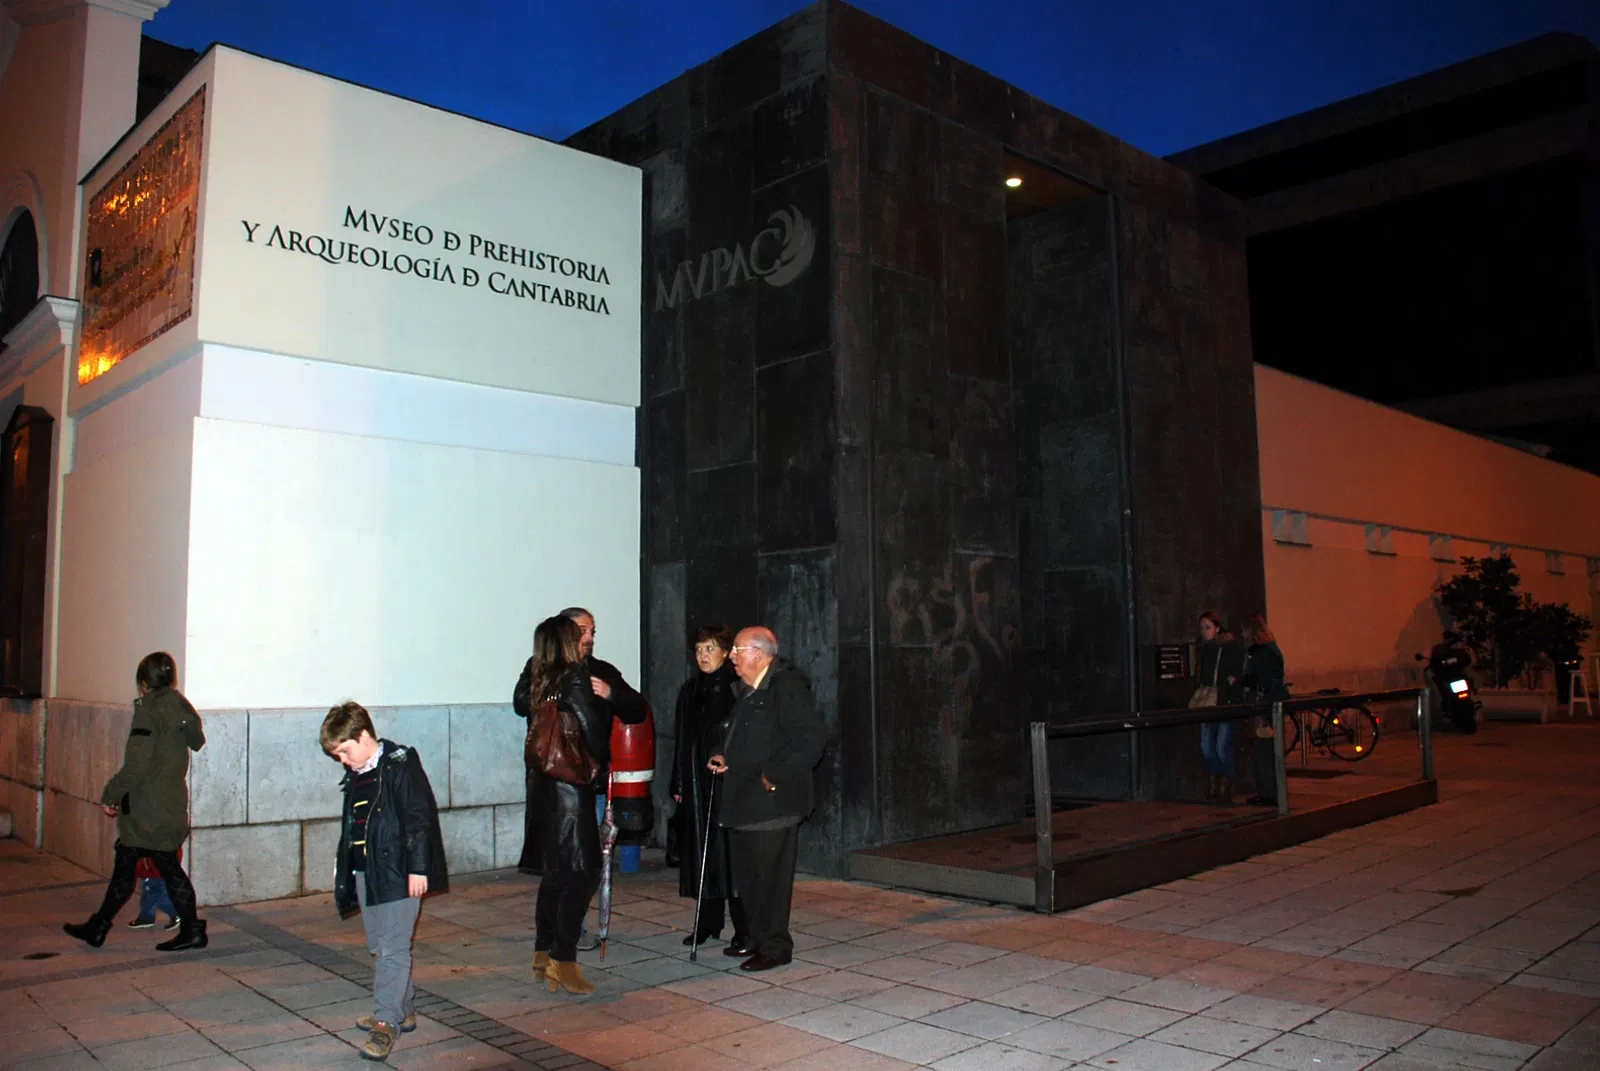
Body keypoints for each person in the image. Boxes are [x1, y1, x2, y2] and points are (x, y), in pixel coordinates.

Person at [516, 615, 646, 994]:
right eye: (580, 633)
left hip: (546, 784)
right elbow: (591, 729)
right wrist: (594, 757)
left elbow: (634, 707)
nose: (587, 638)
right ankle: (564, 960)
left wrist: (608, 695)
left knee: (557, 873)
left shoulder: (543, 674)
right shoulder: (573, 676)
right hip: (572, 787)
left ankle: (543, 954)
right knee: (584, 872)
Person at [324, 701, 449, 1063]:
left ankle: (386, 1022)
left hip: (399, 871)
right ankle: (403, 1008)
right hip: (367, 871)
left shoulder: (400, 765)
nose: (343, 760)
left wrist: (419, 869)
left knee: (393, 948)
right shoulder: (357, 773)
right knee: (380, 945)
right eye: (337, 755)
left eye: (345, 751)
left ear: (363, 736)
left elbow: (419, 818)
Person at [63, 652, 208, 952]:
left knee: (150, 866)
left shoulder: (149, 711)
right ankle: (99, 926)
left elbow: (136, 766)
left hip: (147, 808)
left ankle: (190, 929)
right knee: (136, 864)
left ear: (143, 683)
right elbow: (197, 741)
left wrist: (111, 793)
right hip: (169, 804)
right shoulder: (180, 707)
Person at [707, 627, 826, 971]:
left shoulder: (785, 687)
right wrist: (721, 754)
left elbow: (810, 740)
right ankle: (755, 937)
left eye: (737, 651)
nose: (731, 657)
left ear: (759, 653)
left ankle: (775, 946)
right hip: (744, 800)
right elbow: (740, 736)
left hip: (772, 803)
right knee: (749, 878)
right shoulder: (748, 690)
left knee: (769, 880)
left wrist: (772, 775)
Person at [671, 624, 746, 947]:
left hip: (726, 781)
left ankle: (744, 927)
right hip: (695, 780)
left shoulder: (736, 689)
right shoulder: (689, 691)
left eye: (710, 649)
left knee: (729, 856)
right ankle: (707, 921)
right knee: (701, 853)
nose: (703, 656)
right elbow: (681, 739)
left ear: (727, 653)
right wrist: (677, 780)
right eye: (699, 649)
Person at [1238, 615, 1289, 808]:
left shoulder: (1256, 651)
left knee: (1262, 751)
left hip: (1265, 703)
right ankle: (1274, 793)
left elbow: (1254, 678)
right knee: (1271, 750)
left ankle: (1268, 794)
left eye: (1244, 630)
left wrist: (1243, 681)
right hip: (1277, 700)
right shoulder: (1273, 648)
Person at [1196, 611, 1246, 805]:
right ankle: (1213, 783)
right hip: (1208, 702)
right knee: (1206, 747)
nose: (1204, 632)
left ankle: (1224, 786)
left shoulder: (1230, 647)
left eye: (1208, 627)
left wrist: (1231, 682)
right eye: (1202, 628)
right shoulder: (1203, 649)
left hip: (1225, 702)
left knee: (1221, 747)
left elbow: (1237, 674)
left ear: (1217, 628)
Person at [127, 855, 181, 932]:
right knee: (150, 895)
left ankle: (177, 914)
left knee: (156, 896)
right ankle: (146, 918)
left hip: (153, 871)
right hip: (154, 870)